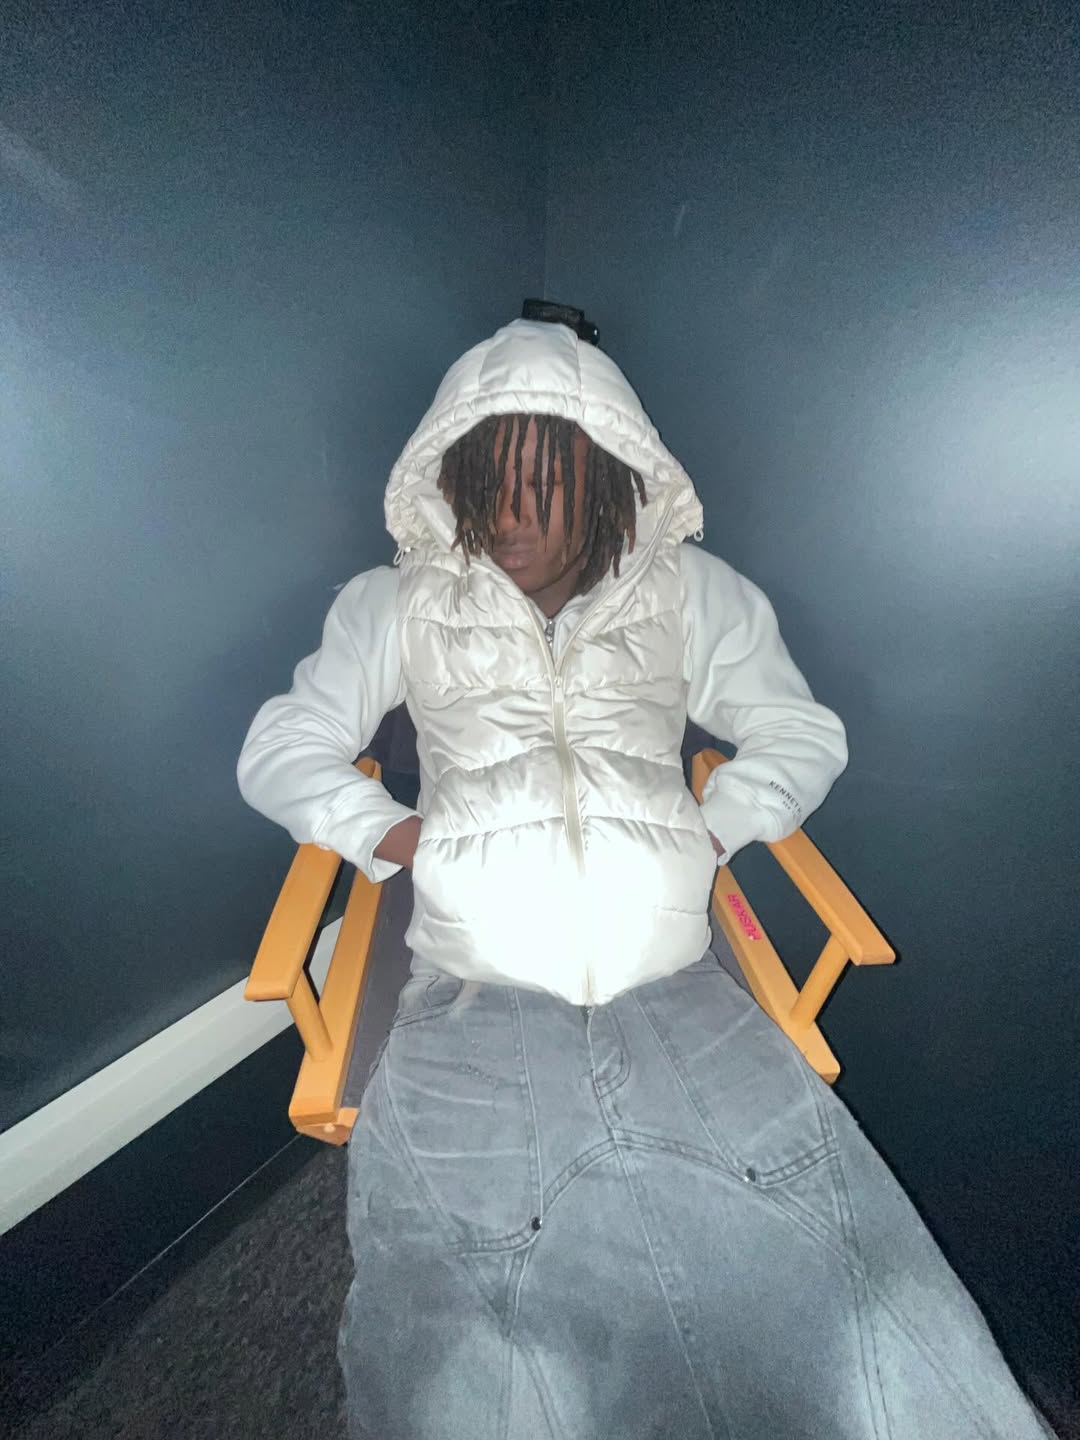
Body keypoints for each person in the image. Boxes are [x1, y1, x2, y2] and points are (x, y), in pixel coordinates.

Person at [237, 310, 1050, 1440]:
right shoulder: (398, 601)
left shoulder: (689, 592)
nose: (508, 517)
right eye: (485, 484)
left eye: (542, 486)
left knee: (845, 1287)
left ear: (609, 478)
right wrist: (394, 836)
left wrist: (712, 832)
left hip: (680, 985)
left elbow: (799, 733)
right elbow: (281, 748)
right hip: (474, 995)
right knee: (475, 1329)